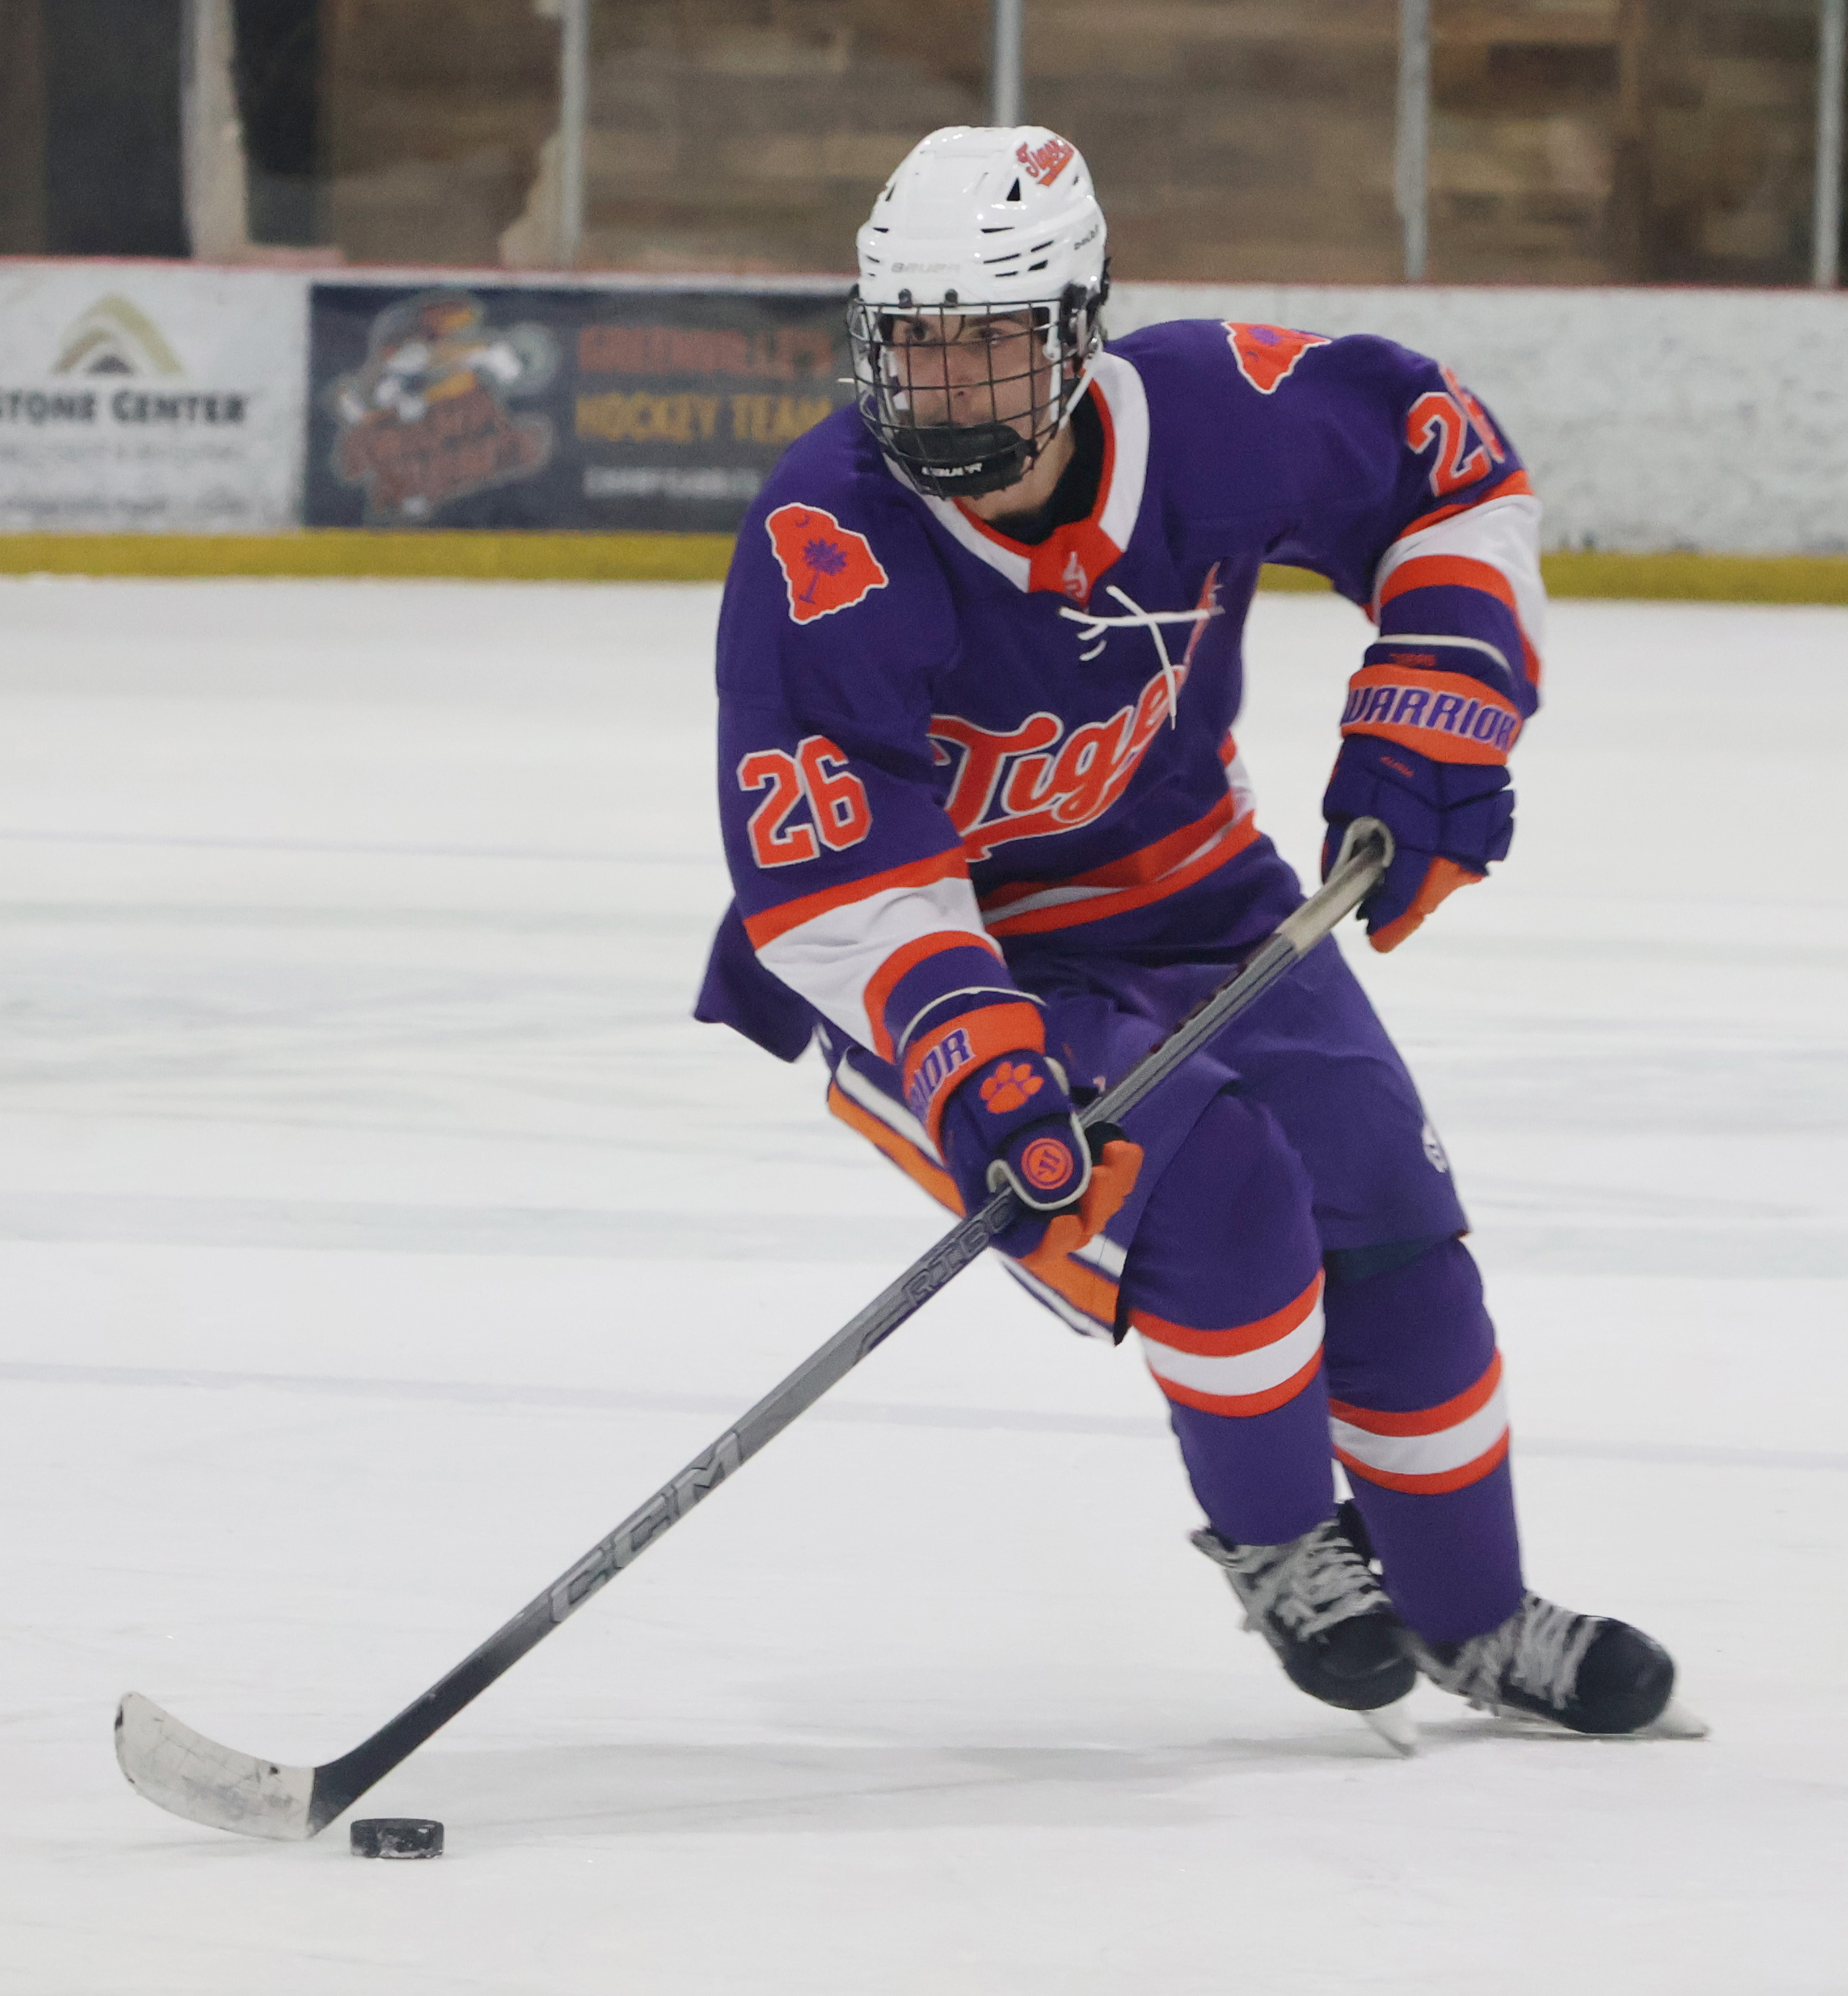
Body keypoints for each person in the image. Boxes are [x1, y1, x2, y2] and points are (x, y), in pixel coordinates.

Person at [696, 125, 1681, 1739]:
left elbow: (1449, 467)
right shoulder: (829, 536)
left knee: (1393, 1223)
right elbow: (837, 867)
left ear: (1079, 327)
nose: (944, 388)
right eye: (916, 344)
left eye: (990, 344)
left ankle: (1476, 1612)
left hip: (1203, 894)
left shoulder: (1216, 412)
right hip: (946, 958)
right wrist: (970, 1055)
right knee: (1218, 1195)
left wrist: (1440, 703)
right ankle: (1285, 1539)